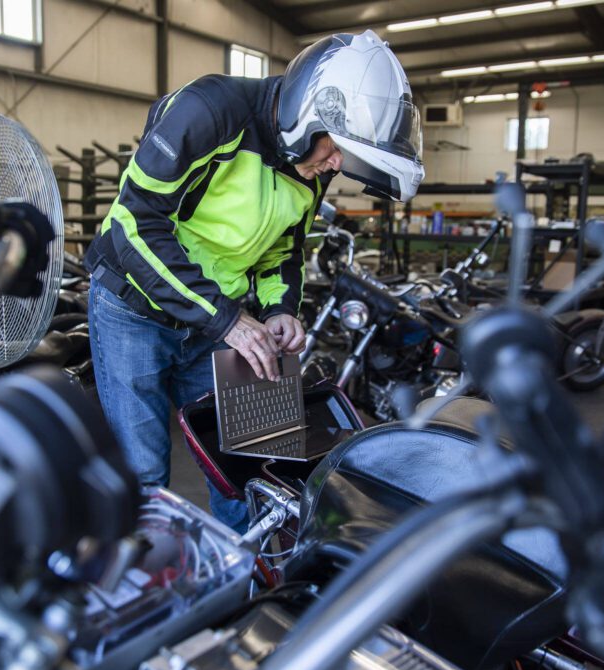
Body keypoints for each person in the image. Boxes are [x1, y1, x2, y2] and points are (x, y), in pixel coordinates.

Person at [85, 29, 424, 530]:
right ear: (311, 112)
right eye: (338, 151)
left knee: (254, 462)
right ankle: (154, 590)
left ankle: (249, 588)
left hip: (217, 319)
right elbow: (135, 224)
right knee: (144, 475)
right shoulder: (210, 111)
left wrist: (280, 308)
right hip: (135, 310)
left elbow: (285, 248)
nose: (338, 166)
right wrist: (228, 321)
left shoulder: (314, 158)